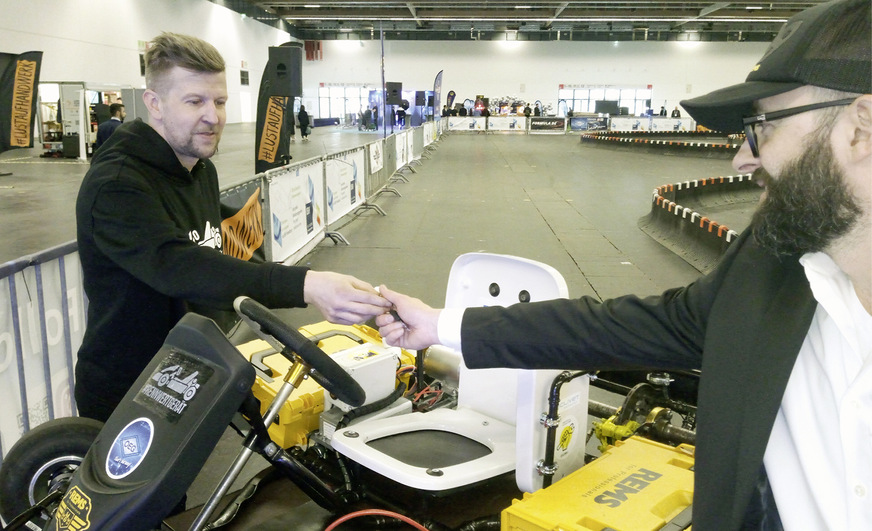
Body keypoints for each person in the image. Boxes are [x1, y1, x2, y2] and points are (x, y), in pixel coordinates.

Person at [376, 1, 870, 529]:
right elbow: (620, 326)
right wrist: (439, 324)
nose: (741, 159)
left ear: (861, 127)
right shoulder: (769, 268)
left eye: (761, 127)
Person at [75, 32, 391, 424]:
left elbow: (218, 262)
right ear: (154, 103)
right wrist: (307, 284)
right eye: (195, 101)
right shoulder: (118, 184)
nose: (214, 116)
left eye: (220, 101)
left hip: (188, 375)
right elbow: (178, 266)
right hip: (128, 390)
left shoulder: (199, 169)